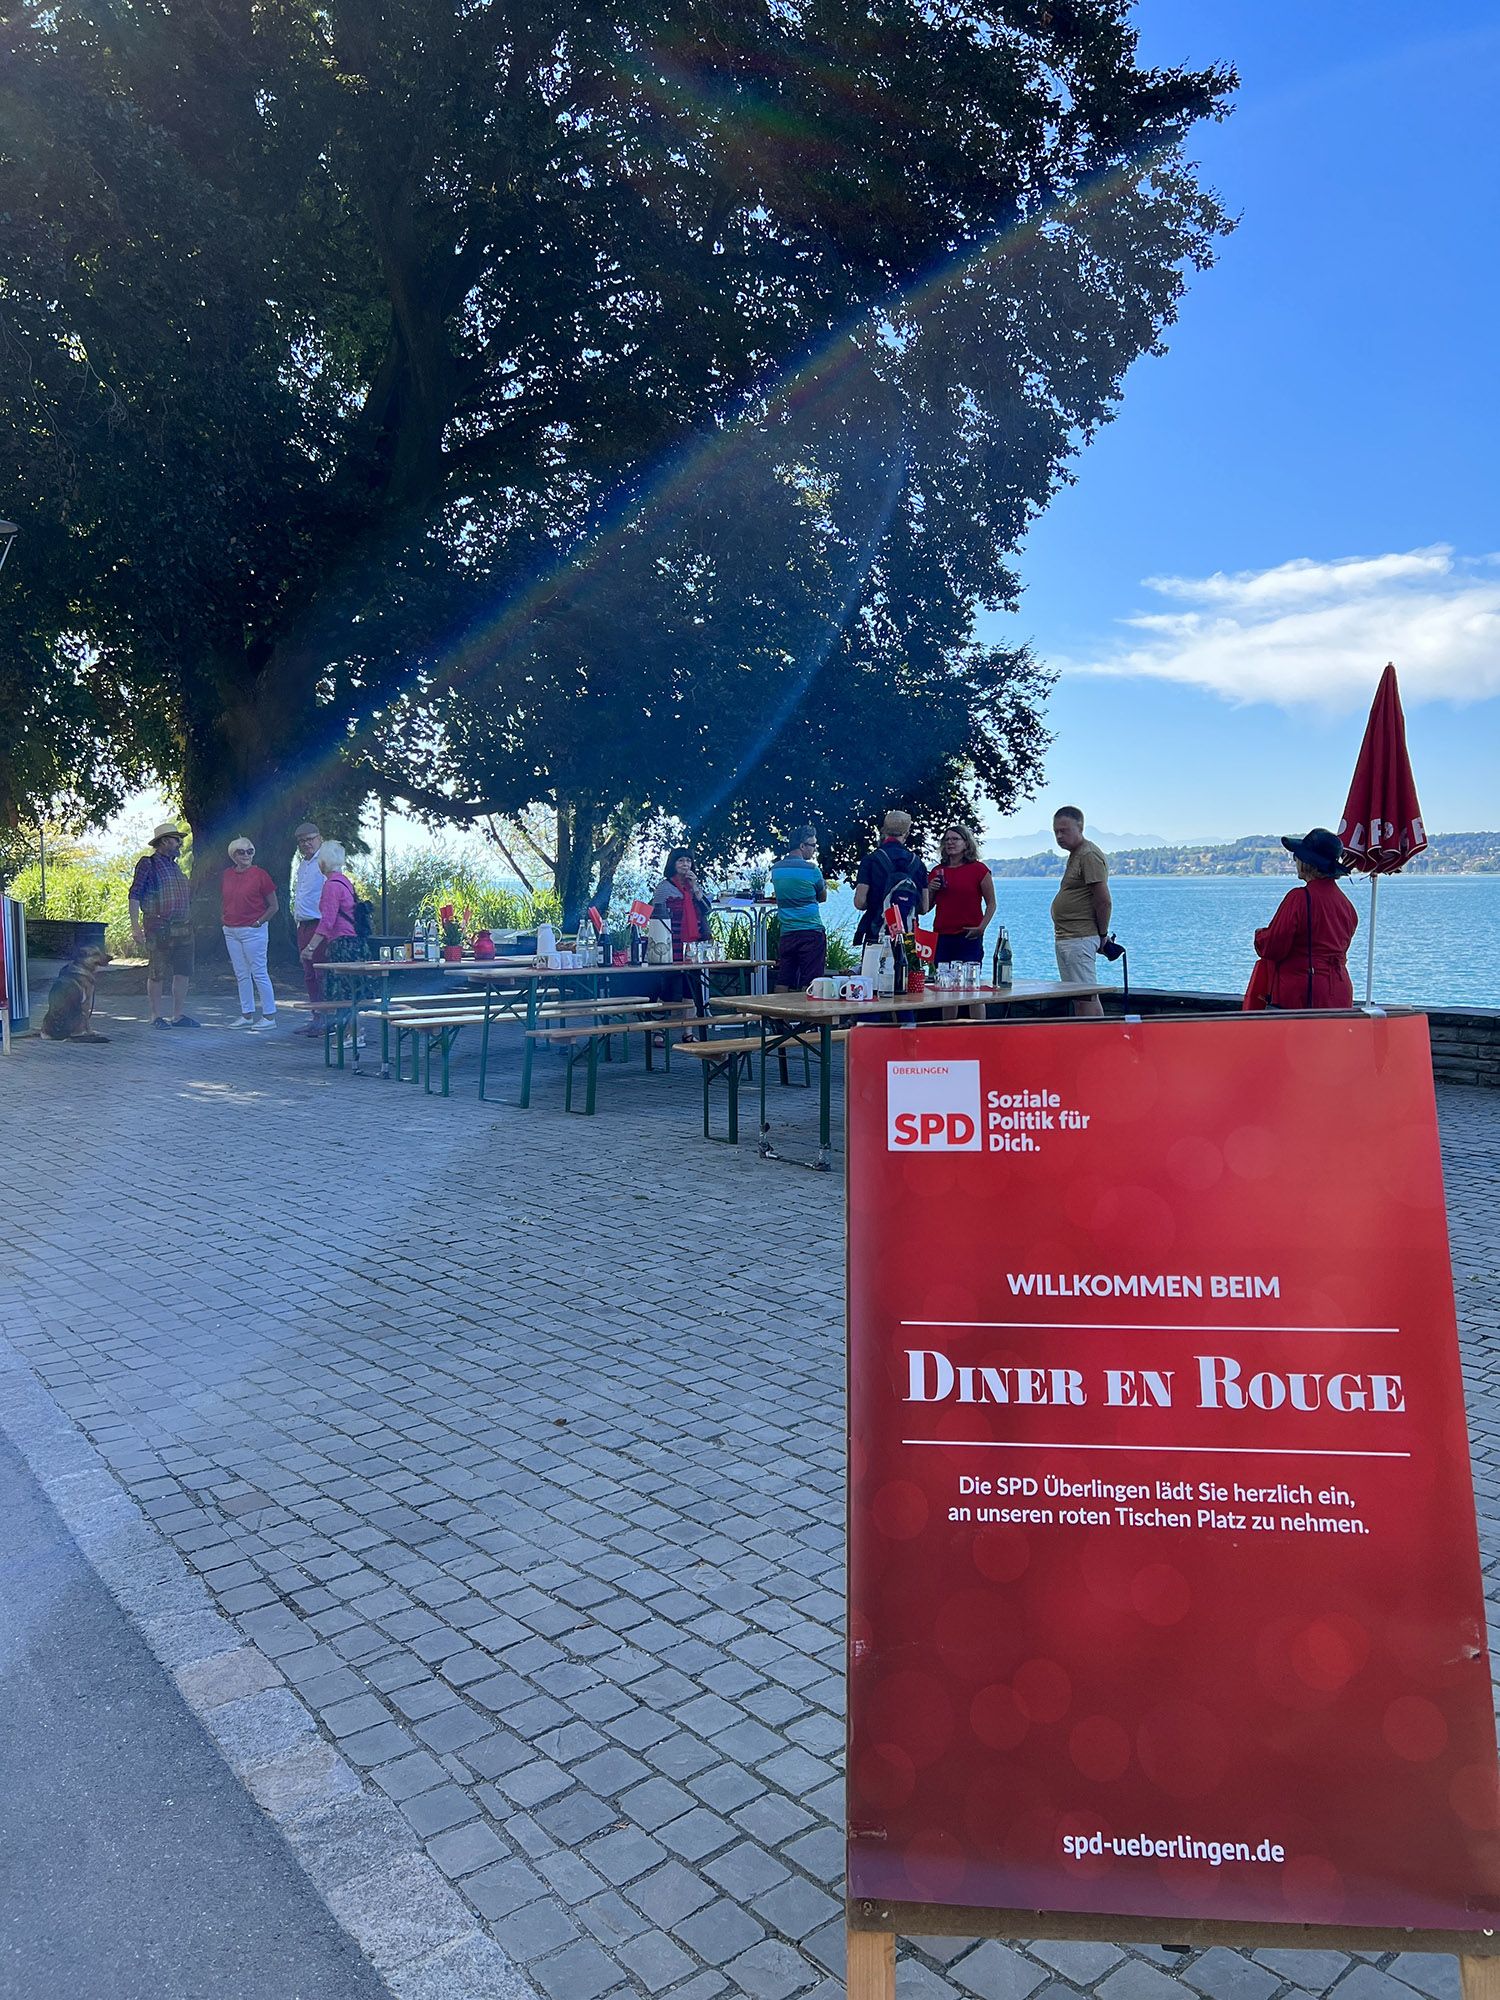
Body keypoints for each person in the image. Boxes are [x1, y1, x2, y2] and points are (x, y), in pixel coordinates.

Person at [1246, 828, 1358, 1009]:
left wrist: (1260, 935)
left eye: (1296, 856)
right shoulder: (1346, 904)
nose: (1295, 860)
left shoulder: (1300, 898)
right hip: (1339, 990)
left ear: (1307, 862)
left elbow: (1274, 946)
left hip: (1303, 991)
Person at [128, 822, 199, 1029]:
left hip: (183, 928)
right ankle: (155, 1016)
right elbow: (134, 894)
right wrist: (135, 927)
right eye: (177, 840)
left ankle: (177, 1016)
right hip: (159, 927)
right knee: (157, 972)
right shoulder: (148, 864)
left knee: (183, 971)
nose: (180, 843)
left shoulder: (175, 867)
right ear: (165, 841)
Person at [297, 841, 370, 1041]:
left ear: (323, 863)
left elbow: (327, 922)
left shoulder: (330, 886)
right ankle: (353, 1032)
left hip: (342, 944)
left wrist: (310, 947)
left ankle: (352, 1034)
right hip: (355, 942)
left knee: (343, 990)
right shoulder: (345, 882)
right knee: (352, 989)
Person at [1050, 807, 1110, 1017]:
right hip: (1067, 937)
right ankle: (1083, 1033)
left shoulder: (1088, 855)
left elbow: (1103, 900)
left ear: (1080, 827)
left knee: (1087, 995)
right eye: (1056, 831)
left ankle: (1096, 1035)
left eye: (1064, 830)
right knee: (1077, 996)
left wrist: (1102, 935)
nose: (1059, 836)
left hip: (1080, 937)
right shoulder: (1076, 854)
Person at [652, 848, 714, 1031]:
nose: (685, 864)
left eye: (688, 861)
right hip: (671, 943)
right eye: (681, 861)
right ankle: (660, 1030)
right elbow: (657, 915)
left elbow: (706, 910)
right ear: (673, 863)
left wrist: (695, 889)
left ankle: (688, 1031)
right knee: (668, 987)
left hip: (692, 944)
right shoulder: (664, 887)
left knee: (691, 987)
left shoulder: (694, 887)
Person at [221, 838, 280, 1029]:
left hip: (253, 930)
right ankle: (246, 1015)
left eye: (250, 851)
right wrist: (225, 918)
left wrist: (259, 922)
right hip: (231, 930)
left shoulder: (260, 874)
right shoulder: (227, 874)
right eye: (241, 852)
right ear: (233, 855)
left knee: (259, 972)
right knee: (241, 974)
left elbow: (274, 906)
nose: (246, 855)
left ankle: (269, 1017)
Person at [924, 825, 996, 971]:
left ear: (966, 844)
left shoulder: (979, 869)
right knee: (942, 980)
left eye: (955, 839)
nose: (950, 843)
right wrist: (930, 890)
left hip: (969, 935)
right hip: (942, 937)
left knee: (968, 980)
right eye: (947, 840)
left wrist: (981, 928)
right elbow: (925, 908)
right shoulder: (937, 871)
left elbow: (991, 903)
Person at [852, 811, 928, 947]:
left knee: (874, 962)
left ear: (883, 830)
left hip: (876, 933)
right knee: (905, 960)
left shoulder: (871, 860)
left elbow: (860, 902)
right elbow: (924, 907)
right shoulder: (918, 864)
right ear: (906, 833)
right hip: (908, 936)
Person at [771, 828, 828, 991]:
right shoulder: (812, 870)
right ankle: (807, 1009)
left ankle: (777, 1008)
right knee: (811, 981)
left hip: (787, 932)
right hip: (811, 931)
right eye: (813, 845)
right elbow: (822, 897)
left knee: (784, 978)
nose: (814, 849)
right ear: (802, 846)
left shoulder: (776, 869)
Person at [291, 821, 325, 1035]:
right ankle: (316, 1016)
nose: (306, 844)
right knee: (309, 973)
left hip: (319, 923)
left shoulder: (325, 860)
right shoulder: (303, 864)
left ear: (319, 838)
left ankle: (327, 1018)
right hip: (303, 924)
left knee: (321, 972)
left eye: (310, 839)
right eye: (301, 841)